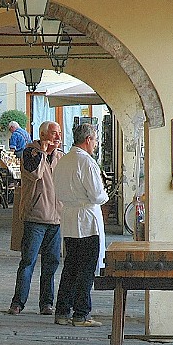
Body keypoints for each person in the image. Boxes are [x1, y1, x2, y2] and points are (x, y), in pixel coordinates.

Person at [53, 123, 109, 327]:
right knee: (86, 268)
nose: (95, 144)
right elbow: (96, 194)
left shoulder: (64, 161)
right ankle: (81, 313)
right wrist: (105, 195)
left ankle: (62, 311)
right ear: (88, 140)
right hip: (86, 219)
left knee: (70, 266)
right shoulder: (86, 162)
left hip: (68, 218)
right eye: (95, 140)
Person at [8, 120, 63, 315]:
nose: (58, 137)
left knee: (51, 264)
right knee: (28, 262)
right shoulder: (29, 153)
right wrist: (42, 152)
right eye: (54, 133)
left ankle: (46, 303)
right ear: (43, 135)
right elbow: (35, 174)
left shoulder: (60, 157)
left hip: (56, 219)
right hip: (35, 217)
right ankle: (18, 302)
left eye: (59, 133)